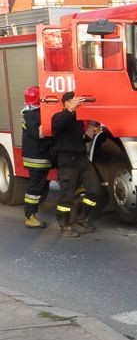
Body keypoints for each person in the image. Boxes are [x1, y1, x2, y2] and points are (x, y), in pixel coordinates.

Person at [51, 92, 103, 237]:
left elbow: (82, 139)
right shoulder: (59, 117)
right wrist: (70, 110)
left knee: (95, 190)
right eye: (75, 101)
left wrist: (91, 131)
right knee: (67, 195)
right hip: (67, 160)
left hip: (81, 158)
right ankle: (64, 226)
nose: (79, 104)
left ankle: (80, 219)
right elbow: (58, 125)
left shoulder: (78, 120)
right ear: (67, 103)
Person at [20, 86, 52, 229]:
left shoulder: (29, 112)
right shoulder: (34, 115)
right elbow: (39, 134)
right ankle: (30, 217)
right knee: (34, 189)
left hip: (37, 156)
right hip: (37, 157)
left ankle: (30, 214)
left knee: (38, 187)